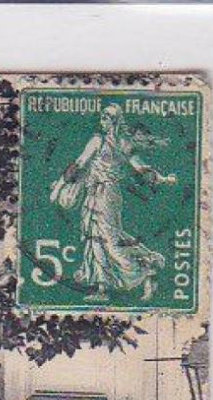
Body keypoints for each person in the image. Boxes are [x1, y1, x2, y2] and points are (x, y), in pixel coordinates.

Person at [49, 103, 174, 303]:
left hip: (107, 195)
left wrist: (161, 179)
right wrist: (60, 186)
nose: (103, 121)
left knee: (109, 240)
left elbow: (140, 168)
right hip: (94, 194)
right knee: (95, 237)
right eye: (102, 117)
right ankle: (102, 288)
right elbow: (79, 164)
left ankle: (147, 269)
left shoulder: (117, 143)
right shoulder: (100, 141)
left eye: (106, 118)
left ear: (115, 121)